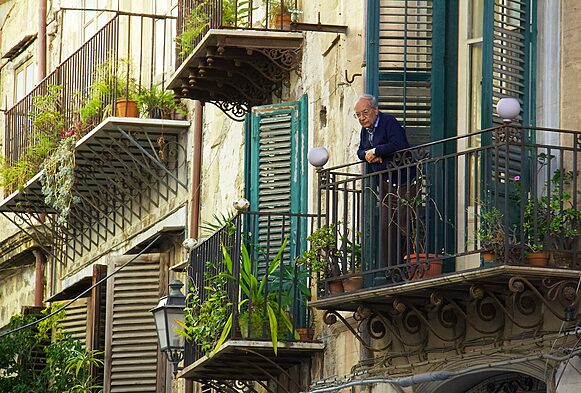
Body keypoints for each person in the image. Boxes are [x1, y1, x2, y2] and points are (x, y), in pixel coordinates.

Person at [355, 94, 415, 268]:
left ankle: (409, 266)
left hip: (404, 180)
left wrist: (376, 151)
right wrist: (368, 156)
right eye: (358, 115)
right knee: (386, 227)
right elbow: (360, 151)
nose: (361, 118)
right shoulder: (365, 131)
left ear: (375, 110)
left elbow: (400, 144)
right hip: (386, 184)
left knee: (405, 223)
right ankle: (392, 269)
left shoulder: (389, 122)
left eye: (364, 113)